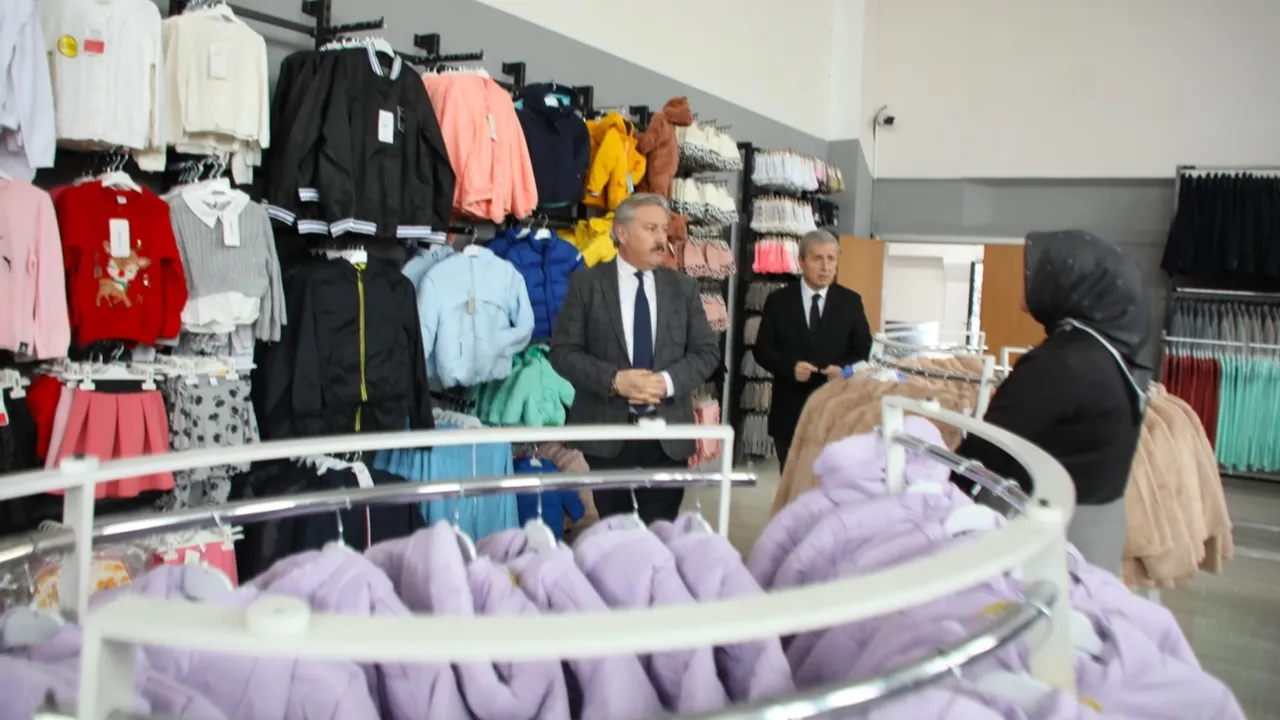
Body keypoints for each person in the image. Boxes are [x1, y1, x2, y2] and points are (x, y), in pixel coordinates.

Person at [953, 230, 1151, 575]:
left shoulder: (1060, 363)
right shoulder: (1109, 353)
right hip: (1094, 530)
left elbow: (989, 447)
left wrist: (941, 496)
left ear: (1070, 284)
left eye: (1041, 273)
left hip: (1048, 534)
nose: (1029, 281)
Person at [549, 193, 720, 523]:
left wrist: (666, 383)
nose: (661, 239)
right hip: (607, 434)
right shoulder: (587, 284)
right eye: (651, 229)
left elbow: (707, 352)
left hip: (667, 435)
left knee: (660, 531)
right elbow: (563, 352)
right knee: (615, 530)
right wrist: (614, 381)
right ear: (622, 233)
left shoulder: (683, 288)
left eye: (663, 230)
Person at [753, 229, 873, 470]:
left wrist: (844, 370)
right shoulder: (778, 301)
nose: (826, 267)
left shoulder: (850, 302)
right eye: (818, 258)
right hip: (790, 410)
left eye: (831, 259)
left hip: (836, 409)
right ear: (801, 261)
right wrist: (790, 368)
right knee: (791, 481)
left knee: (831, 481)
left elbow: (864, 349)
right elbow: (763, 350)